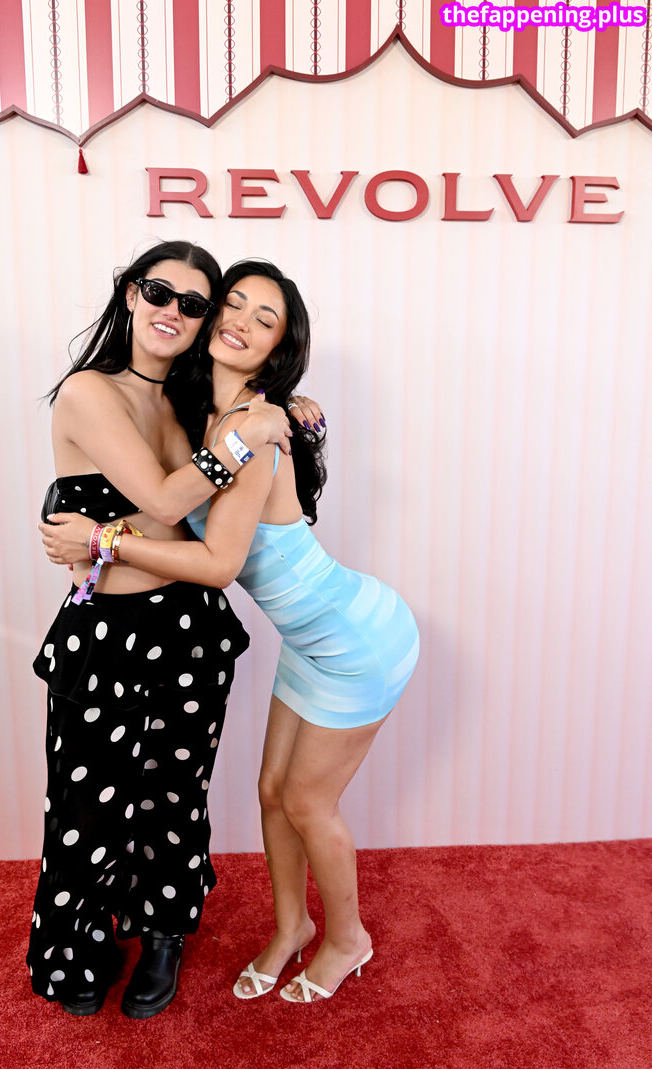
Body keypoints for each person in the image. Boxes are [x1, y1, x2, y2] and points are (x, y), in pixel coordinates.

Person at [40, 259, 420, 1005]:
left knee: (306, 803)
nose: (238, 322)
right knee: (271, 792)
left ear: (279, 346)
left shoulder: (252, 430)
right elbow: (154, 492)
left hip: (358, 638)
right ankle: (291, 929)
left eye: (263, 318)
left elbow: (217, 565)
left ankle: (347, 939)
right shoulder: (208, 418)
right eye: (232, 305)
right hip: (310, 641)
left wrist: (102, 540)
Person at [28, 240, 320, 1020]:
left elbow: (240, 428)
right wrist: (244, 439)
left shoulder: (193, 401)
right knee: (86, 802)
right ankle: (78, 942)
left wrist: (285, 408)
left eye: (195, 304)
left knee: (174, 796)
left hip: (191, 627)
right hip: (105, 633)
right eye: (160, 293)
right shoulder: (90, 391)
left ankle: (163, 932)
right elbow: (164, 501)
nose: (174, 312)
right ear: (131, 293)